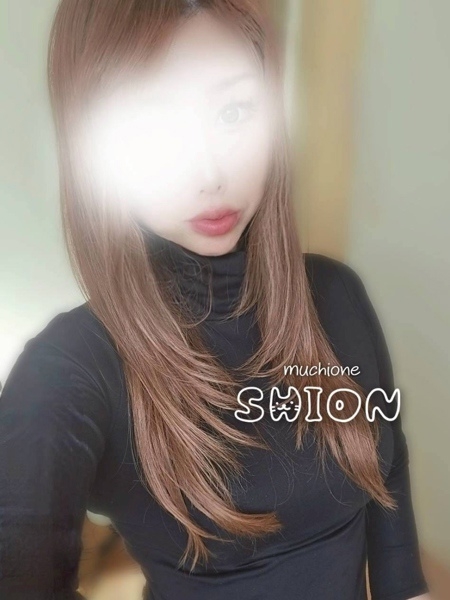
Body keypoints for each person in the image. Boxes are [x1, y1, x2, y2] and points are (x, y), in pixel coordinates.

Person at [0, 1, 431, 599]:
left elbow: (389, 475)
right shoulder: (71, 368)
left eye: (233, 111)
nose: (210, 172)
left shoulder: (337, 295)